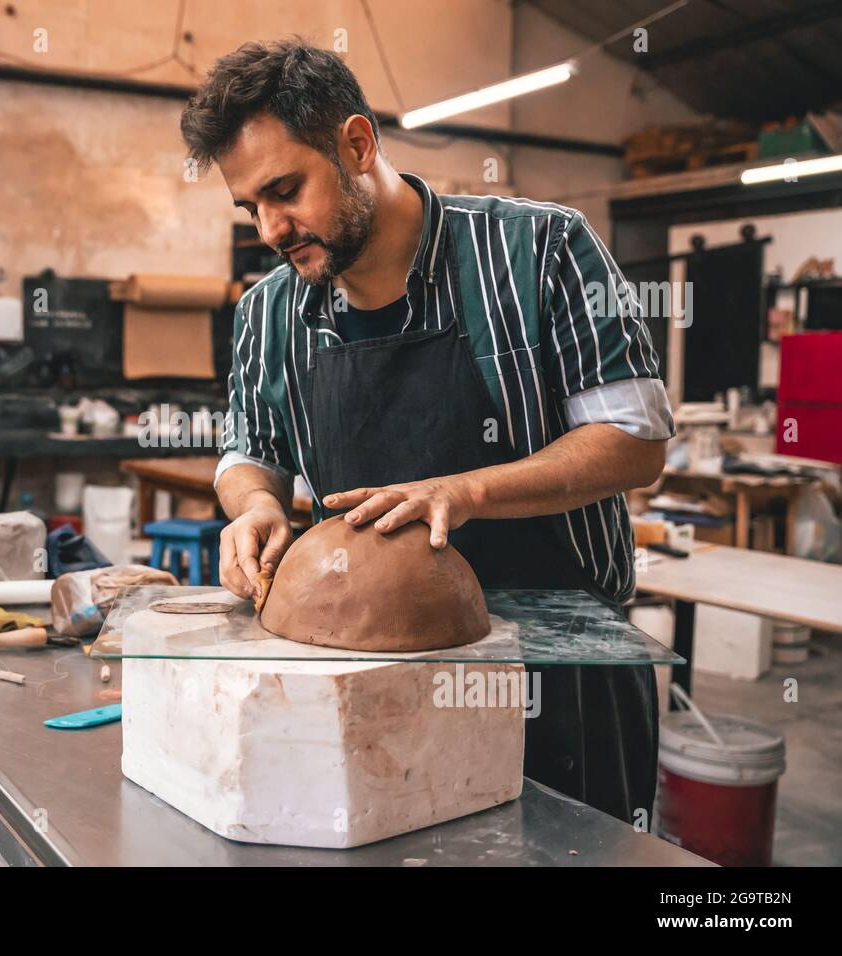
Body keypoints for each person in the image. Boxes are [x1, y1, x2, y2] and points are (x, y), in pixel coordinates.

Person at [180, 37, 674, 824]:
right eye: (252, 207)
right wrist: (256, 508)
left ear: (356, 142)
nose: (272, 228)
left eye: (286, 191)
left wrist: (466, 490)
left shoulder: (540, 251)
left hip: (553, 672)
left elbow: (635, 438)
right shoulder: (269, 310)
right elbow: (252, 451)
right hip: (359, 678)